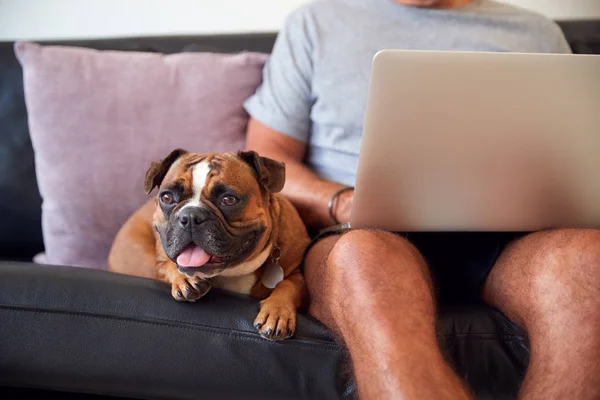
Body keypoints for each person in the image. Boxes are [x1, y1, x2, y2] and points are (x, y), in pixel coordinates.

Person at [244, 0, 600, 398]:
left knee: (589, 257)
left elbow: (576, 152)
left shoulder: (536, 32)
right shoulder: (314, 23)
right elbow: (267, 163)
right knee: (363, 258)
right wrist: (344, 202)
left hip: (510, 241)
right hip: (366, 232)